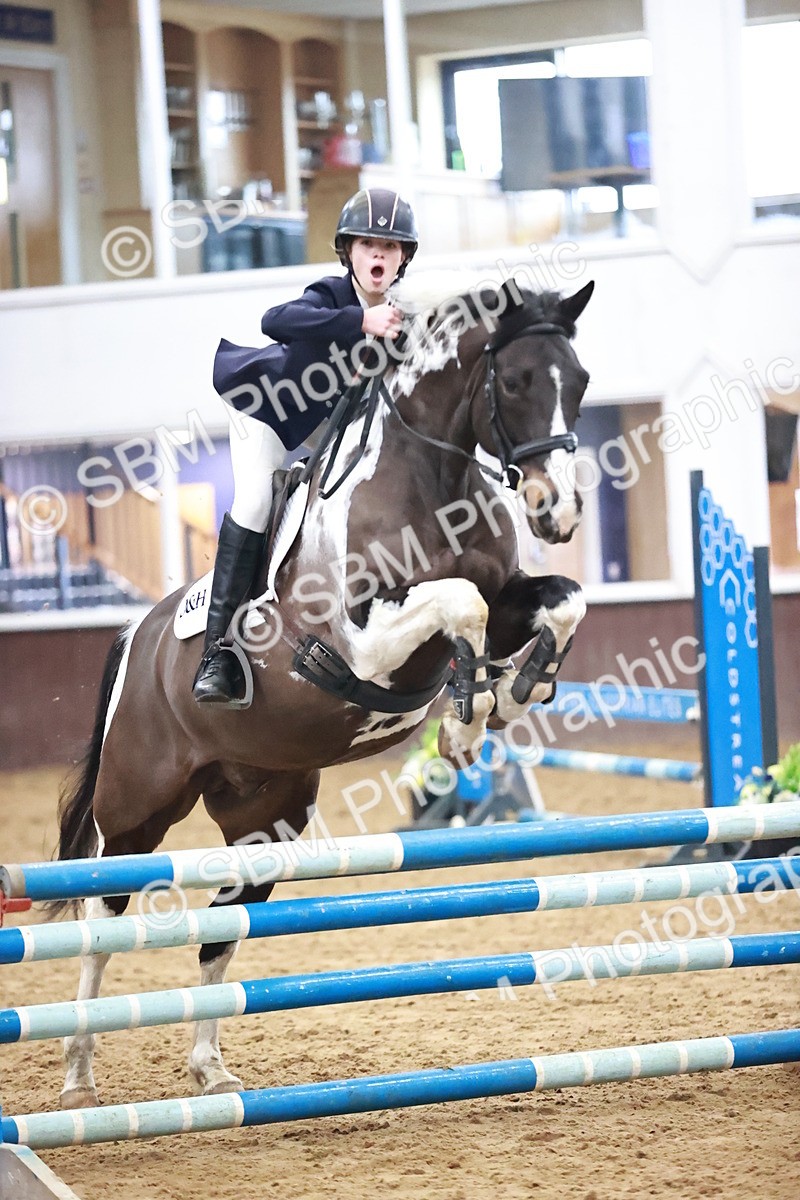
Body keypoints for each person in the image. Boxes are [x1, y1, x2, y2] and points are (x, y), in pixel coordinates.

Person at [192, 187, 419, 707]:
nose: (378, 254)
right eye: (366, 244)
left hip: (328, 429)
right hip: (268, 412)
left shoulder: (405, 317)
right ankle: (216, 653)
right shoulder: (332, 297)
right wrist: (360, 321)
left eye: (389, 245)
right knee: (253, 501)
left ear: (404, 256)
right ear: (349, 253)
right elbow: (275, 321)